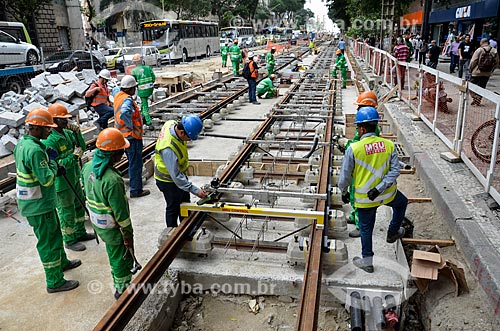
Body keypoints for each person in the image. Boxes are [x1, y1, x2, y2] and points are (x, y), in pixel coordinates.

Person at [14, 108, 80, 293]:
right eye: (46, 128)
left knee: (55, 234)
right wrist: (52, 163)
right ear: (35, 128)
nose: (50, 131)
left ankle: (62, 263)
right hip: (38, 205)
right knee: (48, 242)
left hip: (39, 202)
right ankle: (54, 281)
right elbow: (47, 179)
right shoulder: (35, 150)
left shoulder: (23, 144)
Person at [338, 106, 407, 273]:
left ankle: (367, 262)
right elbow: (395, 170)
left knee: (366, 229)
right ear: (376, 125)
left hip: (364, 200)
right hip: (386, 194)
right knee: (402, 203)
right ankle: (392, 233)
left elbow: (345, 176)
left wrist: (344, 192)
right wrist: (380, 188)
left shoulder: (354, 149)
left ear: (361, 128)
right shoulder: (389, 145)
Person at [81, 128, 134, 300]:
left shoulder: (88, 166)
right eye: (121, 151)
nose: (123, 155)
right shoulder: (112, 180)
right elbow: (122, 216)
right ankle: (122, 290)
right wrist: (128, 236)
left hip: (98, 223)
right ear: (113, 154)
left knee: (113, 254)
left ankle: (120, 282)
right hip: (112, 228)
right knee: (121, 258)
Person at [43, 103, 96, 252]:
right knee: (67, 211)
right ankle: (69, 239)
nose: (66, 122)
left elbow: (82, 146)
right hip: (62, 183)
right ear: (53, 120)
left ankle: (80, 232)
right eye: (62, 119)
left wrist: (77, 132)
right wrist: (73, 157)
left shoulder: (66, 133)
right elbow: (54, 163)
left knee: (79, 206)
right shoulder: (50, 140)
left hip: (73, 176)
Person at [154, 115, 208, 227]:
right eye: (189, 138)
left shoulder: (171, 123)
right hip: (167, 180)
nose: (189, 141)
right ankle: (171, 233)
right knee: (173, 207)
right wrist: (195, 190)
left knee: (185, 201)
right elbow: (176, 176)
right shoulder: (168, 149)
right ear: (182, 132)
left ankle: (186, 226)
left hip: (178, 174)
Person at [345, 92, 381, 239]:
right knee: (353, 192)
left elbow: (360, 144)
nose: (357, 109)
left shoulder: (371, 127)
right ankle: (355, 216)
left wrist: (346, 145)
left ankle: (361, 226)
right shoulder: (366, 122)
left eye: (360, 106)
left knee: (359, 195)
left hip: (363, 164)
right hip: (359, 161)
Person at [114, 75, 150, 198]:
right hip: (131, 136)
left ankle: (136, 187)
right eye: (134, 87)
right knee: (135, 164)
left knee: (132, 162)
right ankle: (136, 190)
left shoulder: (118, 96)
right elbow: (124, 113)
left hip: (123, 135)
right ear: (130, 88)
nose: (135, 89)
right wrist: (130, 126)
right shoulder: (127, 100)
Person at [469, 38, 499, 106]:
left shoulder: (479, 50)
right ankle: (477, 100)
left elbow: (473, 62)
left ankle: (475, 97)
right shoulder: (494, 50)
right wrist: (491, 70)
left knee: (470, 86)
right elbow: (497, 63)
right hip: (487, 73)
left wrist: (470, 70)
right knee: (482, 88)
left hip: (476, 72)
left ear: (481, 43)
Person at [131, 53, 156, 128]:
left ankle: (148, 122)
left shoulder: (134, 71)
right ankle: (142, 117)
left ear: (135, 62)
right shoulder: (148, 68)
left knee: (145, 106)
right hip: (150, 89)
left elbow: (133, 82)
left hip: (142, 91)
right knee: (143, 103)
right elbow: (153, 78)